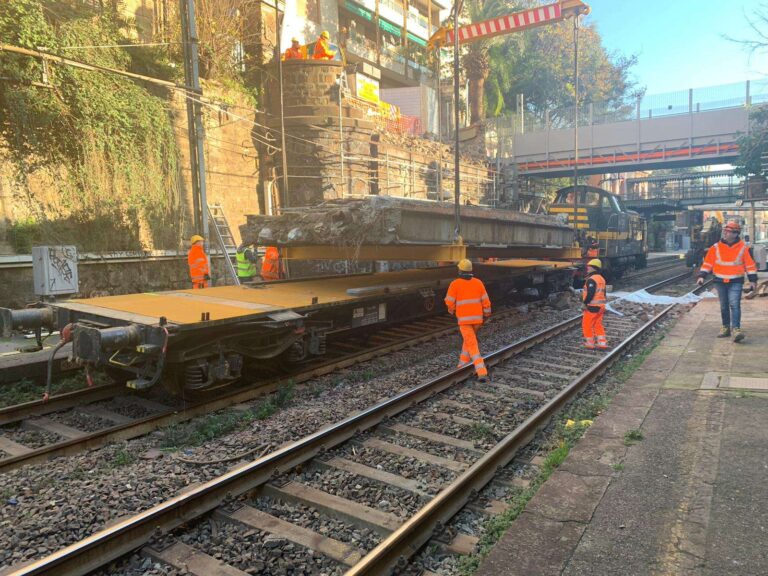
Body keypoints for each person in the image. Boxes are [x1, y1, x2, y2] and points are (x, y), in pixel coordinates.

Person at [697, 220, 758, 342]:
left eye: (728, 231)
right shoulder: (715, 247)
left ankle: (736, 329)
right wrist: (702, 276)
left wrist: (753, 280)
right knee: (724, 306)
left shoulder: (743, 248)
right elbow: (707, 263)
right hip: (719, 280)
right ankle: (725, 327)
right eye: (725, 231)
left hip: (736, 280)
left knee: (734, 304)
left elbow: (750, 265)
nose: (725, 233)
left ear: (736, 234)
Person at [444, 259, 492, 383]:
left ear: (459, 270)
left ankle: (482, 372)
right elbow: (486, 302)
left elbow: (449, 301)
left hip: (464, 322)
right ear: (471, 270)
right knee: (469, 342)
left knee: (472, 345)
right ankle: (462, 366)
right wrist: (487, 314)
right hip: (477, 320)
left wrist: (452, 310)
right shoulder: (478, 283)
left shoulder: (455, 284)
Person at [582, 258, 608, 350]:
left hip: (592, 307)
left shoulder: (591, 279)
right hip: (601, 306)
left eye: (589, 267)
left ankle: (590, 344)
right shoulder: (602, 279)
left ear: (594, 268)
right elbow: (604, 293)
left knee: (587, 325)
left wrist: (585, 303)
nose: (587, 268)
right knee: (598, 324)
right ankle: (602, 343)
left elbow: (590, 293)